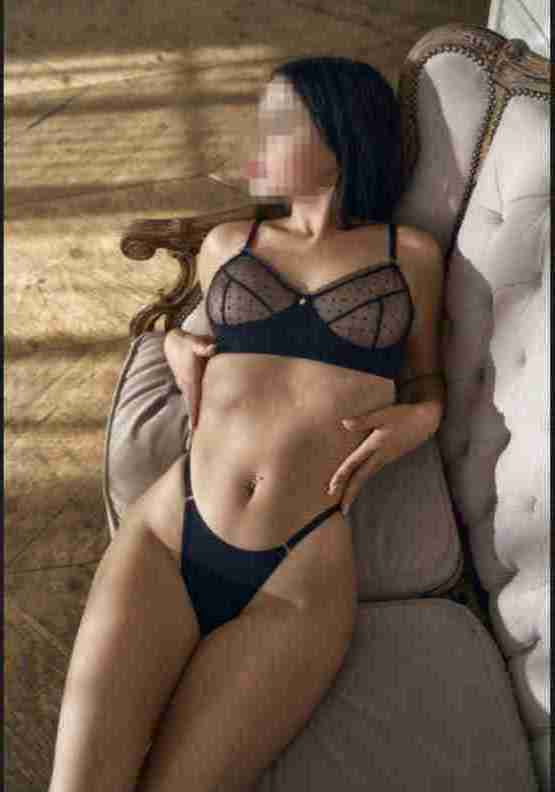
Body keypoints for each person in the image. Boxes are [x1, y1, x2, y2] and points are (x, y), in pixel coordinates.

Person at [48, 56, 444, 792]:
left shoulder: (409, 256)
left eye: (279, 123)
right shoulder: (230, 244)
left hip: (296, 577)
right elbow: (198, 333)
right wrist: (175, 341)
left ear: (340, 137)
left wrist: (417, 421)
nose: (255, 140)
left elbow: (425, 380)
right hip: (169, 533)